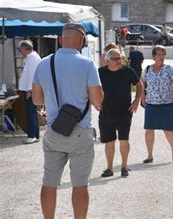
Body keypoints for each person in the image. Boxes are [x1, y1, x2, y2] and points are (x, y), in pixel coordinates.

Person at [32, 23, 103, 219]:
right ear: (82, 42)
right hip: (81, 131)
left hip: (55, 130)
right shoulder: (87, 64)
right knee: (80, 184)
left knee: (49, 182)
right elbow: (97, 100)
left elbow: (37, 100)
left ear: (61, 40)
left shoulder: (44, 63)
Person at [99, 48, 143, 178]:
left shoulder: (128, 71)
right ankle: (109, 168)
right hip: (106, 112)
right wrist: (94, 102)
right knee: (109, 142)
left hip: (124, 112)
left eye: (120, 58)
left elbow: (140, 85)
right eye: (116, 59)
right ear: (107, 61)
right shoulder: (100, 73)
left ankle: (124, 166)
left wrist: (136, 101)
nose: (119, 61)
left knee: (124, 140)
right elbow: (91, 88)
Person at [141, 46, 173, 164]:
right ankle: (149, 155)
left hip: (167, 103)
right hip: (151, 103)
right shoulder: (147, 69)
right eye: (159, 54)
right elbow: (142, 84)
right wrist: (142, 97)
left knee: (167, 129)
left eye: (163, 54)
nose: (161, 57)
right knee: (149, 130)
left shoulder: (169, 69)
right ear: (154, 56)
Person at [18, 40, 42, 144]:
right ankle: (35, 135)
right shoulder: (31, 57)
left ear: (24, 49)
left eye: (20, 50)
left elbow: (32, 75)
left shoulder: (32, 58)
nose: (20, 52)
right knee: (32, 113)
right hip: (31, 89)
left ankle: (32, 135)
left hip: (31, 89)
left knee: (30, 113)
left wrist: (30, 90)